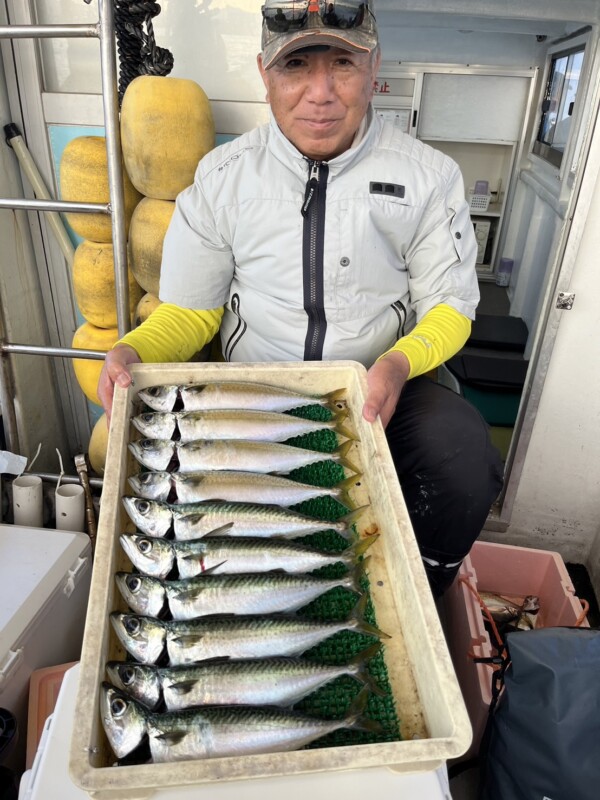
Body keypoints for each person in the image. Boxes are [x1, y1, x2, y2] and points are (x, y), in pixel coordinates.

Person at [98, 0, 503, 597]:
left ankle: (421, 590)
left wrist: (394, 365)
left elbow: (450, 306)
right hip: (252, 396)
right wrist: (132, 350)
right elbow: (192, 310)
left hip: (376, 390)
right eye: (296, 67)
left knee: (466, 456)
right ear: (265, 76)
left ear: (373, 68)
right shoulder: (221, 177)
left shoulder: (427, 177)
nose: (321, 94)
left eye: (341, 63)